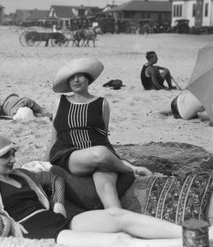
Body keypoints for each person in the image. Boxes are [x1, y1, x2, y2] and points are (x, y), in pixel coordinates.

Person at [0, 134, 182, 246]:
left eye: (12, 155)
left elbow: (54, 181)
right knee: (118, 241)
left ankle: (191, 235)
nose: (12, 161)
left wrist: (58, 204)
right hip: (38, 231)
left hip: (56, 219)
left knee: (118, 216)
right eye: (5, 158)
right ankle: (187, 244)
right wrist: (5, 226)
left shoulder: (22, 174)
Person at [44, 57, 152, 210]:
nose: (76, 80)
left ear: (88, 78)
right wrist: (43, 164)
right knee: (100, 154)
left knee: (109, 191)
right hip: (70, 153)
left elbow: (103, 136)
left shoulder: (102, 103)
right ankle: (130, 169)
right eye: (71, 78)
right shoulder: (60, 101)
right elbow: (53, 137)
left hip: (99, 151)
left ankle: (120, 225)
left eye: (80, 76)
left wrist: (112, 156)